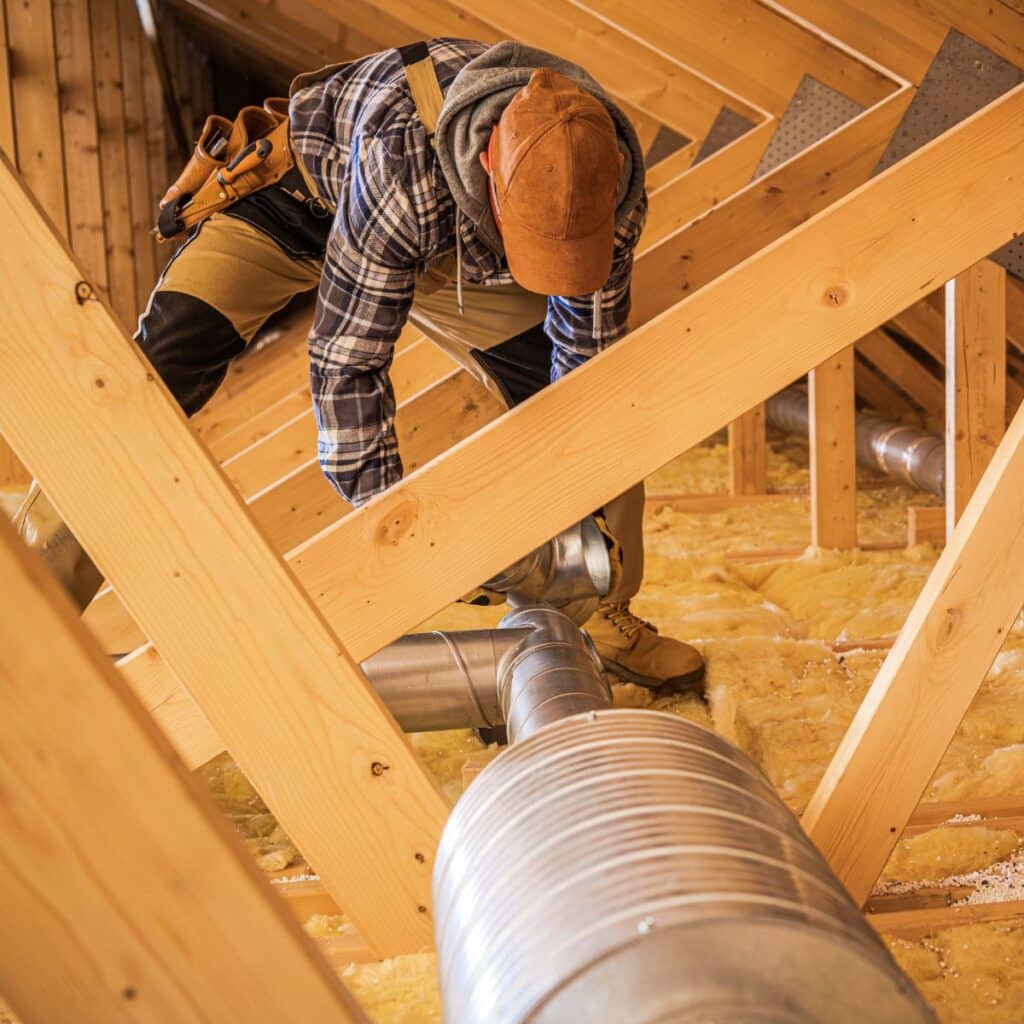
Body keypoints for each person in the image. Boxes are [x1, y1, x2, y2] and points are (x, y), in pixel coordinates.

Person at [15, 38, 704, 692]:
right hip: (291, 206)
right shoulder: (403, 164)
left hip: (448, 251)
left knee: (586, 399)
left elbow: (588, 366)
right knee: (147, 380)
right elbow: (347, 362)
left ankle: (602, 610)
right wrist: (403, 525)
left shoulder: (601, 175)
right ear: (490, 175)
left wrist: (572, 513)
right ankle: (27, 621)